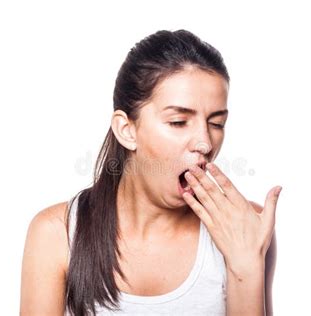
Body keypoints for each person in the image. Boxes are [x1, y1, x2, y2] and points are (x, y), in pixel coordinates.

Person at [20, 29, 281, 316]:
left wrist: (245, 267)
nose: (205, 143)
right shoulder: (57, 234)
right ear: (127, 130)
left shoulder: (246, 227)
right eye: (179, 121)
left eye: (217, 123)